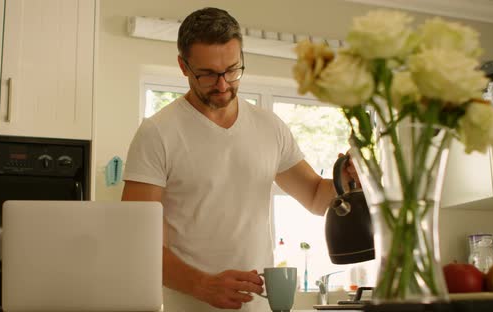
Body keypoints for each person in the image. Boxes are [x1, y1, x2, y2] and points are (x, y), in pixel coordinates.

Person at [122, 7, 358, 312]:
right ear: (183, 66)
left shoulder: (270, 127)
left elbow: (315, 197)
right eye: (207, 74)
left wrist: (347, 178)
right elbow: (137, 240)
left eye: (232, 70)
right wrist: (202, 285)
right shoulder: (157, 133)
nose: (222, 85)